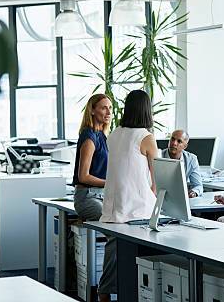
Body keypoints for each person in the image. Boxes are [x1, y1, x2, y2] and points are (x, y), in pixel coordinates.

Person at [98, 90, 159, 302]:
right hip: (137, 209)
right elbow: (157, 178)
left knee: (114, 250)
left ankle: (105, 292)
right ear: (147, 110)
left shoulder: (114, 134)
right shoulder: (146, 137)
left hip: (114, 207)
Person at [72, 94, 112, 222]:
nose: (109, 112)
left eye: (110, 108)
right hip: (87, 197)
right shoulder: (89, 137)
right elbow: (83, 177)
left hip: (102, 195)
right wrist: (111, 183)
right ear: (92, 111)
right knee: (112, 222)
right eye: (104, 108)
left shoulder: (102, 135)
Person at [161, 129, 203, 198]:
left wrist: (194, 192)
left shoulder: (191, 159)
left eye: (179, 141)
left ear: (185, 146)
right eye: (172, 139)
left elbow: (198, 185)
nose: (174, 143)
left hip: (180, 197)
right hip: (160, 196)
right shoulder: (158, 156)